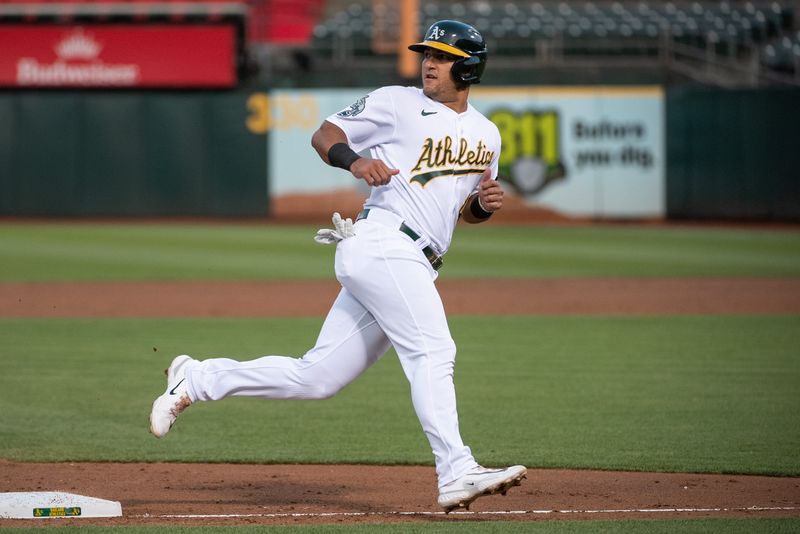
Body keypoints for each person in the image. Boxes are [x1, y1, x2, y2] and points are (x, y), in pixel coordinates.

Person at [149, 19, 526, 513]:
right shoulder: (397, 101)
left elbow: (466, 211)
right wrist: (354, 163)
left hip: (414, 259)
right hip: (381, 242)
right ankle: (456, 470)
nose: (429, 63)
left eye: (441, 57)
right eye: (427, 54)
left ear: (469, 68)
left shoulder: (487, 135)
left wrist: (484, 206)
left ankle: (196, 379)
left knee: (318, 377)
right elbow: (325, 134)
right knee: (434, 350)